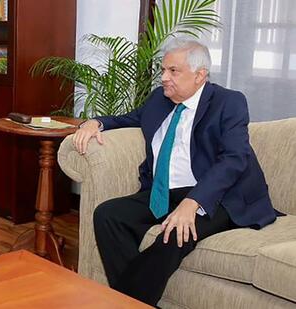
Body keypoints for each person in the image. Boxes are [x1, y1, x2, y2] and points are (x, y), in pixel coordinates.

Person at [72, 38, 278, 306]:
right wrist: (94, 123)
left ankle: (121, 302)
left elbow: (234, 159)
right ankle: (136, 302)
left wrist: (193, 203)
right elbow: (128, 119)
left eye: (173, 71)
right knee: (108, 215)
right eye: (163, 70)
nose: (164, 78)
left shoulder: (229, 102)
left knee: (174, 235)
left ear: (200, 75)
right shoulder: (160, 99)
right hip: (166, 191)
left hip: (220, 195)